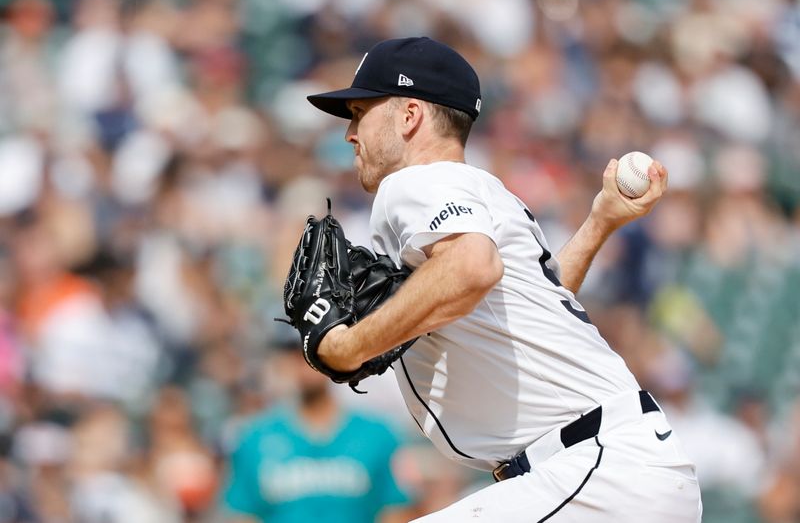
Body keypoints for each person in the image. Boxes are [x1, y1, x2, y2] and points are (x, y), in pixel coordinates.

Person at [305, 37, 702, 522]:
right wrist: (599, 223)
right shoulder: (487, 192)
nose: (350, 131)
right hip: (613, 469)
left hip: (596, 473)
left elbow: (473, 267)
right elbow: (532, 307)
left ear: (409, 115)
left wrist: (348, 347)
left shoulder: (412, 182)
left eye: (360, 110)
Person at [222, 337, 412, 523]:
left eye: (315, 350)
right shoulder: (254, 438)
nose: (306, 362)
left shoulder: (377, 435)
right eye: (296, 354)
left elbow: (394, 510)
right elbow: (243, 513)